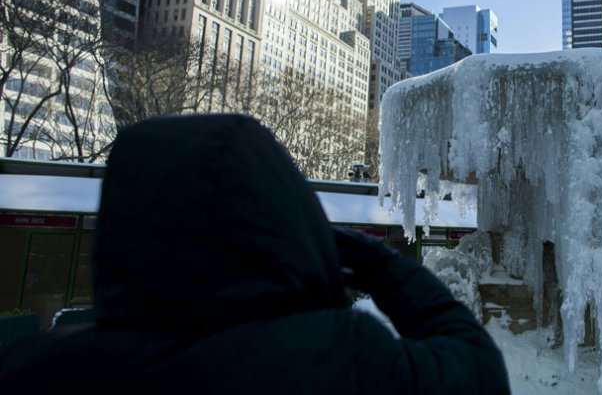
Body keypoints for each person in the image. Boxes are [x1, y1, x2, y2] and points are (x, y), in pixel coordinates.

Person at [0, 114, 510, 394]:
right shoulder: (341, 361)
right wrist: (383, 266)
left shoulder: (33, 373)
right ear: (285, 218)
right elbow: (480, 370)